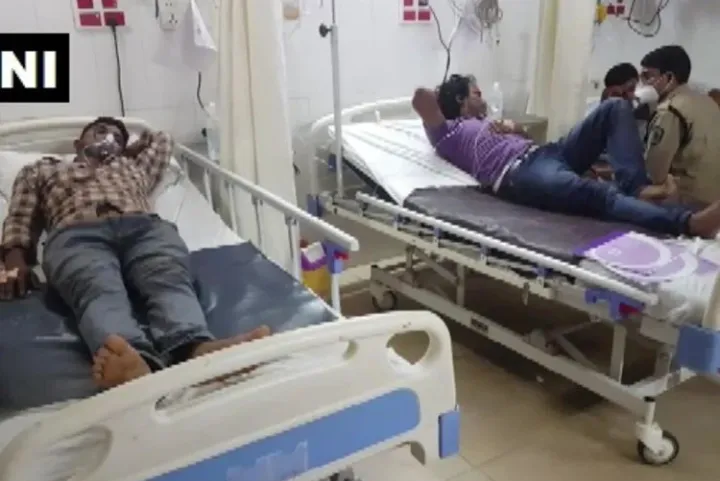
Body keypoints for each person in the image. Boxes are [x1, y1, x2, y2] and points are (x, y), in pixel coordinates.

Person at [0, 117, 270, 389]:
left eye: (117, 136)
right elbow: (20, 214)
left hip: (144, 227)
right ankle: (131, 358)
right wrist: (14, 259)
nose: (108, 137)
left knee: (168, 279)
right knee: (97, 287)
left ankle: (194, 348)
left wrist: (123, 150)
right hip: (76, 233)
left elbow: (162, 139)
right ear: (78, 143)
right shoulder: (44, 169)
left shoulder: (133, 165)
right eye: (99, 131)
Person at [413, 74, 720, 238]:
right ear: (460, 100)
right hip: (519, 173)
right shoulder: (448, 134)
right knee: (598, 195)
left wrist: (516, 128)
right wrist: (443, 91)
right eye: (476, 93)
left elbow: (529, 142)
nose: (483, 98)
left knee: (614, 108)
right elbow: (419, 98)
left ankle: (637, 188)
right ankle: (690, 224)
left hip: (547, 152)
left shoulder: (489, 123)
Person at [640, 45, 720, 205]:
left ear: (669, 77)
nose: (644, 83)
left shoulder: (669, 111)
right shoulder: (709, 103)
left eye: (648, 76)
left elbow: (655, 174)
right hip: (714, 203)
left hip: (687, 202)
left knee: (614, 194)